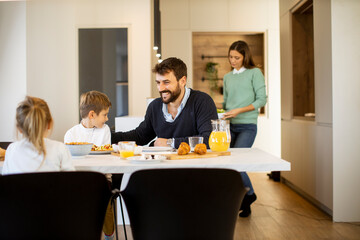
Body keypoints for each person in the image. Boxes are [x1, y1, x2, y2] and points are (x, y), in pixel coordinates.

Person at [111, 57, 218, 148]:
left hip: (194, 167)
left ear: (182, 81)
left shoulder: (202, 101)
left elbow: (209, 140)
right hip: (163, 166)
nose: (161, 88)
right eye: (158, 82)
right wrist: (106, 136)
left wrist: (170, 142)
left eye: (166, 82)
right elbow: (140, 136)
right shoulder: (155, 106)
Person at [222, 40, 267, 217]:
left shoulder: (255, 73)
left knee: (237, 163)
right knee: (227, 164)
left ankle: (250, 195)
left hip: (247, 125)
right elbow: (226, 103)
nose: (232, 60)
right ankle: (245, 203)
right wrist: (222, 113)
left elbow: (261, 100)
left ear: (244, 56)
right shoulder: (227, 77)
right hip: (230, 126)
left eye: (236, 57)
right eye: (230, 57)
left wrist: (239, 110)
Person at [63, 90, 115, 240]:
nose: (107, 118)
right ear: (92, 115)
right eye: (104, 114)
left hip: (102, 179)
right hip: (78, 179)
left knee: (105, 205)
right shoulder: (71, 134)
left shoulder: (104, 130)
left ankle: (109, 236)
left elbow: (104, 156)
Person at [2, 96, 74, 174]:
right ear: (49, 124)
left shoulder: (11, 150)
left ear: (19, 128)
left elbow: (6, 183)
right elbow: (71, 183)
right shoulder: (60, 149)